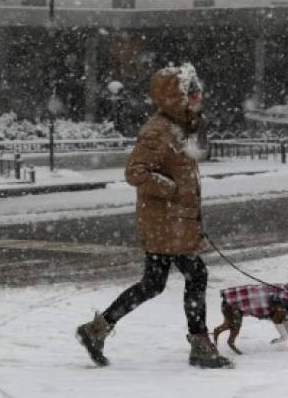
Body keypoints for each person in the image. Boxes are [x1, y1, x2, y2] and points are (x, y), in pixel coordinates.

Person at [75, 63, 232, 370]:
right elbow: (135, 172)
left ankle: (96, 330)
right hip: (165, 222)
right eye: (192, 92)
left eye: (198, 91)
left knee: (153, 283)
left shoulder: (179, 127)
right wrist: (172, 190)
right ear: (176, 97)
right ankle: (199, 344)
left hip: (174, 221)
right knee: (195, 275)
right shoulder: (157, 131)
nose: (198, 96)